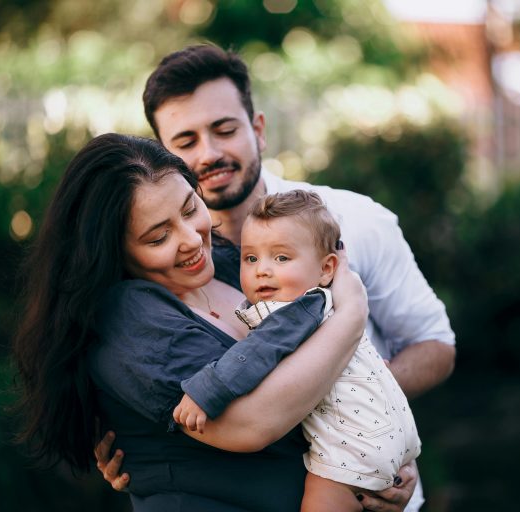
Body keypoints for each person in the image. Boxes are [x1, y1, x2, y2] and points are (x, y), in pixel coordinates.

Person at [97, 44, 455, 511]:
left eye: (225, 130)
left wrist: (368, 424)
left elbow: (435, 345)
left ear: (258, 129)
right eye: (186, 141)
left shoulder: (354, 220)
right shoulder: (183, 269)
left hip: (378, 487)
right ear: (165, 156)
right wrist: (146, 451)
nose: (210, 153)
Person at [13, 133, 386, 511]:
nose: (191, 239)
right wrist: (352, 314)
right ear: (113, 251)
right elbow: (251, 424)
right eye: (159, 237)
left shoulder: (232, 266)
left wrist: (381, 467)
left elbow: (335, 381)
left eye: (191, 209)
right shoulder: (127, 317)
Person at [173, 190, 422, 512]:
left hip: (354, 444)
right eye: (251, 258)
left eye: (281, 258)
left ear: (326, 269)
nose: (262, 270)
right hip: (389, 433)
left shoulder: (297, 311)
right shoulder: (327, 306)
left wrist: (206, 390)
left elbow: (256, 352)